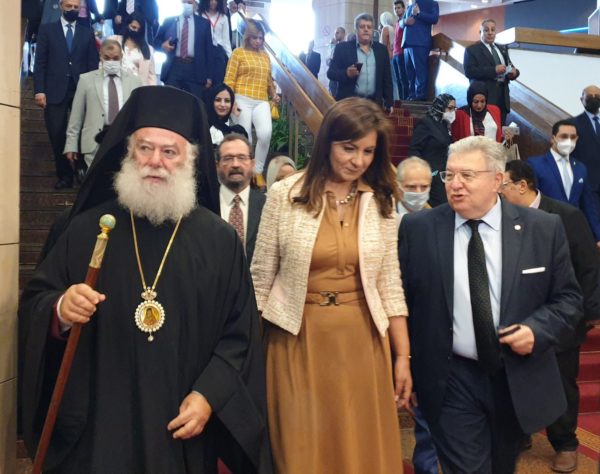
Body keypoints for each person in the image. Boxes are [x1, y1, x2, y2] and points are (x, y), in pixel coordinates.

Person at [19, 85, 271, 474]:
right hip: (98, 428)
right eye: (145, 148)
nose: (156, 161)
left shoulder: (219, 241)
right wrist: (61, 309)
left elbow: (239, 334)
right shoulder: (84, 229)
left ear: (189, 159)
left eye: (169, 152)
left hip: (181, 423)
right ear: (128, 153)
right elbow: (37, 302)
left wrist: (209, 395)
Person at [399, 135, 582, 473]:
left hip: (516, 375)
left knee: (501, 464)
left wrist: (537, 330)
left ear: (497, 180)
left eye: (467, 175)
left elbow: (569, 300)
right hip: (451, 377)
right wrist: (404, 361)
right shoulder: (419, 229)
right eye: (449, 175)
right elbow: (406, 301)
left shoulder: (542, 229)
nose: (455, 184)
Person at [251, 97, 411, 473]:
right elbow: (260, 279)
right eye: (349, 148)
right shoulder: (285, 194)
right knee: (300, 448)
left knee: (360, 448)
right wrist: (247, 354)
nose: (358, 161)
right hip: (295, 339)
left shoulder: (382, 201)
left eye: (369, 151)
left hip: (363, 341)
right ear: (327, 143)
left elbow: (390, 285)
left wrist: (402, 357)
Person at [501, 159, 600, 474]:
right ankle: (521, 434)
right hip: (519, 315)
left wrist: (591, 312)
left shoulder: (566, 216)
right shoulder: (500, 217)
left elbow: (588, 265)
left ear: (522, 185)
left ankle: (566, 444)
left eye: (503, 185)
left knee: (560, 383)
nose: (499, 191)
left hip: (561, 317)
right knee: (517, 379)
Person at [396, 156, 439, 474]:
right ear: (398, 187)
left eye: (424, 186)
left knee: (425, 411)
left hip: (423, 326)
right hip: (381, 324)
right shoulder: (379, 218)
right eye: (411, 187)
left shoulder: (438, 220)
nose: (418, 192)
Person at [34, 0, 99, 189]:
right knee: (56, 133)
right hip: (54, 90)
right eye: (69, 6)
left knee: (83, 131)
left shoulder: (87, 32)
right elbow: (40, 63)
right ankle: (64, 175)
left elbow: (93, 64)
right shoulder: (47, 30)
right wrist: (39, 90)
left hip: (81, 89)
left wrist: (93, 91)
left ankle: (81, 169)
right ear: (61, 5)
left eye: (76, 7)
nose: (72, 10)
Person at [64, 39, 142, 169]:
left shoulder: (135, 82)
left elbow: (139, 115)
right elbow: (76, 116)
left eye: (115, 58)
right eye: (107, 58)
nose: (111, 61)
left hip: (124, 141)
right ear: (100, 56)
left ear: (121, 56)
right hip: (94, 143)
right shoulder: (86, 80)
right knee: (95, 180)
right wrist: (71, 145)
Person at [527, 119, 600, 245]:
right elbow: (530, 201)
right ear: (553, 138)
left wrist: (598, 236)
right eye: (564, 136)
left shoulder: (581, 168)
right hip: (545, 233)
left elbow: (588, 204)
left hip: (575, 234)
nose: (569, 141)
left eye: (573, 137)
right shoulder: (535, 164)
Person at [224, 19, 280, 185]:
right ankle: (246, 172)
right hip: (241, 98)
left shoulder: (265, 56)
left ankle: (258, 171)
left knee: (265, 133)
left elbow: (268, 80)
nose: (258, 41)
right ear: (247, 37)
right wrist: (231, 102)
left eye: (261, 38)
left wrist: (274, 94)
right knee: (245, 138)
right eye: (255, 37)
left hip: (261, 100)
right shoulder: (238, 53)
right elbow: (229, 80)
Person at [327, 13, 393, 112]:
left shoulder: (381, 50)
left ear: (372, 30)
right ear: (356, 29)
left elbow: (387, 78)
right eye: (362, 27)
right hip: (349, 104)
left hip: (373, 105)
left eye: (369, 27)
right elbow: (331, 73)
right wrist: (346, 73)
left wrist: (389, 102)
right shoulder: (342, 48)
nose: (366, 29)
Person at [216, 134, 265, 264]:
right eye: (228, 158)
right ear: (217, 165)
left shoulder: (267, 206)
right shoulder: (205, 204)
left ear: (252, 164)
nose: (235, 164)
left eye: (242, 158)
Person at [154, 0, 215, 100]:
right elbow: (156, 41)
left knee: (193, 103)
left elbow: (209, 51)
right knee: (169, 101)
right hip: (174, 67)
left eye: (190, 3)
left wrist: (209, 76)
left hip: (195, 69)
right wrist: (162, 46)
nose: (187, 5)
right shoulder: (169, 21)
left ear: (195, 4)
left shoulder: (204, 24)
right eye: (184, 2)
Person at [464, 18, 520, 125]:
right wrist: (493, 70)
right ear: (480, 32)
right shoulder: (472, 50)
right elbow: (469, 71)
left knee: (500, 130)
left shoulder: (502, 48)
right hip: (485, 98)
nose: (490, 33)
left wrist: (514, 73)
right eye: (486, 30)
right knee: (486, 130)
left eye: (493, 30)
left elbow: (510, 66)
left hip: (503, 99)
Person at [408, 93, 456, 206]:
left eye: (454, 108)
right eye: (450, 108)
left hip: (443, 175)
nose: (452, 112)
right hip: (431, 176)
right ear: (440, 106)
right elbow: (414, 149)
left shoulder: (443, 124)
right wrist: (426, 173)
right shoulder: (425, 123)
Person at [400, 0, 439, 101]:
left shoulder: (432, 3)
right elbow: (400, 23)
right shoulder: (411, 5)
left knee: (420, 72)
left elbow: (434, 18)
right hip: (407, 43)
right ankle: (412, 96)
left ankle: (420, 97)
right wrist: (404, 21)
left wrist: (419, 13)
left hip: (420, 42)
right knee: (409, 74)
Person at [109, 12, 157, 86]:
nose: (136, 31)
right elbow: (103, 64)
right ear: (127, 25)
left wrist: (151, 92)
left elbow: (152, 76)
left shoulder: (148, 49)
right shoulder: (114, 41)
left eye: (139, 29)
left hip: (138, 89)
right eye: (133, 27)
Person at [571, 85, 600, 201]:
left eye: (597, 96)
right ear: (581, 99)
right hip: (586, 187)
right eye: (589, 96)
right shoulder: (571, 125)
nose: (594, 98)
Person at [200, 0, 232, 85]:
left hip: (218, 53)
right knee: (203, 83)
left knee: (218, 83)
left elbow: (226, 41)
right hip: (203, 52)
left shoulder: (223, 17)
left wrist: (231, 58)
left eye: (216, 0)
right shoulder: (199, 15)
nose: (213, 2)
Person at [379, 11, 398, 101]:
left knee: (389, 81)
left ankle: (392, 100)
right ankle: (397, 99)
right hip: (394, 55)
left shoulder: (385, 28)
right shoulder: (394, 28)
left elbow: (383, 45)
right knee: (394, 80)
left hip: (387, 56)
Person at [392, 0, 409, 101]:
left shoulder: (405, 21)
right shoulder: (397, 22)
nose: (397, 10)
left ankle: (405, 100)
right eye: (395, 8)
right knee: (397, 79)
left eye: (398, 8)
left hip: (402, 53)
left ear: (403, 8)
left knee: (403, 78)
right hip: (395, 53)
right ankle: (400, 100)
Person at [326, 26, 346, 96]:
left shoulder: (346, 46)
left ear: (343, 34)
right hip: (333, 78)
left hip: (341, 78)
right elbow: (328, 61)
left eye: (337, 33)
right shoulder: (333, 46)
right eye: (335, 33)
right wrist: (332, 46)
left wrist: (335, 46)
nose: (335, 35)